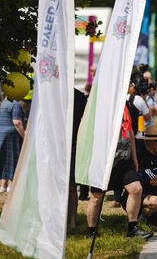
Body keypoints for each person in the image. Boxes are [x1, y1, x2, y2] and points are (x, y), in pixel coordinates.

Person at [87, 96, 152, 239]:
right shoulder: (100, 105)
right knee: (97, 196)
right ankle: (91, 231)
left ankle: (132, 228)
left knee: (136, 189)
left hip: (125, 158)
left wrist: (134, 158)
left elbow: (131, 133)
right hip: (104, 160)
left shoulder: (125, 105)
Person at [0, 97, 26, 192]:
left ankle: (3, 185)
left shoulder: (4, 102)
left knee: (5, 159)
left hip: (2, 132)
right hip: (12, 135)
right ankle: (12, 186)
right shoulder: (15, 104)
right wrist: (25, 136)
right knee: (13, 158)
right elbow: (17, 122)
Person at [68, 89, 88, 228]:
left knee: (72, 187)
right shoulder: (52, 93)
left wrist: (79, 144)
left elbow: (85, 123)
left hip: (74, 145)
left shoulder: (79, 97)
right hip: (54, 146)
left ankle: (72, 221)